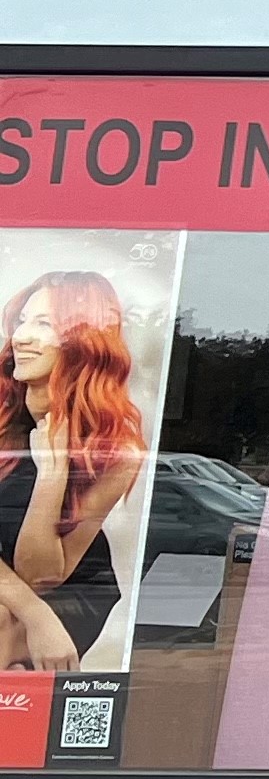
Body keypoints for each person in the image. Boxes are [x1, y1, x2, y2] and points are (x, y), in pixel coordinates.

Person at [0, 270, 149, 672]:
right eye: (22, 321)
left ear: (81, 342)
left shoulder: (117, 452)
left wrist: (52, 474)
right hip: (18, 600)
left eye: (44, 324)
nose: (22, 336)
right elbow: (31, 590)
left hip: (70, 590)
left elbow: (43, 573)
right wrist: (36, 615)